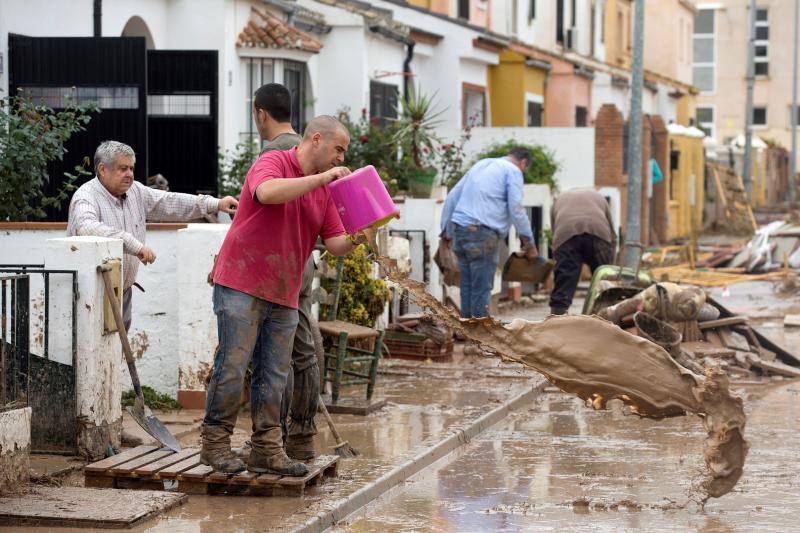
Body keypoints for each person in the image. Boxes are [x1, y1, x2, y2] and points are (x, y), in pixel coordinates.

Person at [201, 115, 371, 476]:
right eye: (338, 149)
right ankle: (214, 444)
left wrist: (362, 233)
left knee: (275, 373)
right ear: (315, 140)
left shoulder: (325, 192)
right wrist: (322, 179)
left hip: (284, 290)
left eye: (344, 152)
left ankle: (266, 448)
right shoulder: (274, 161)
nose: (341, 158)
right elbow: (266, 192)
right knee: (232, 366)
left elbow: (336, 243)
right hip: (242, 281)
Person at [67, 140, 238, 330]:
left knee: (115, 355)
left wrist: (216, 204)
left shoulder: (136, 191)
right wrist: (135, 245)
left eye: (131, 168)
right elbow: (86, 227)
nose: (130, 174)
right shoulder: (86, 196)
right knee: (90, 353)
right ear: (102, 169)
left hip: (122, 291)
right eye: (123, 168)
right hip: (90, 294)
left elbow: (170, 202)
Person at [253, 82, 319, 462]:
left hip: (276, 264)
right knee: (303, 348)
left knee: (275, 352)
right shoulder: (311, 149)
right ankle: (303, 435)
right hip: (304, 259)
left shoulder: (274, 153)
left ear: (260, 113)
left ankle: (272, 440)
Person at [439, 147, 538, 318]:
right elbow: (516, 209)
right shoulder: (513, 171)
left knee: (468, 286)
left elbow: (453, 196)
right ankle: (478, 338)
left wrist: (446, 230)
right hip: (482, 234)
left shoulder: (481, 164)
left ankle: (468, 333)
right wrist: (529, 242)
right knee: (481, 287)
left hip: (459, 231)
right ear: (523, 162)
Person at [548, 188, 617, 316]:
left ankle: (557, 317)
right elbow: (613, 234)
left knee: (564, 279)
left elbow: (555, 230)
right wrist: (610, 268)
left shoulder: (558, 200)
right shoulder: (599, 197)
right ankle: (608, 314)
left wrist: (559, 258)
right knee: (603, 278)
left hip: (566, 233)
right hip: (599, 232)